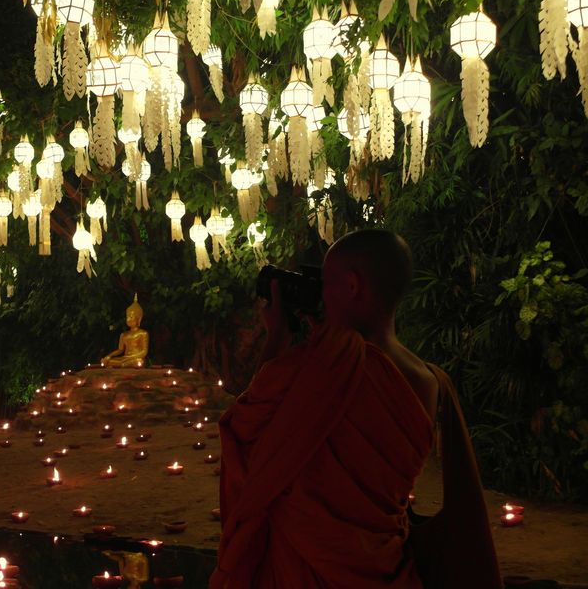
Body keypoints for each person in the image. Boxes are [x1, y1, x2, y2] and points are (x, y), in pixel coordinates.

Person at [210, 229, 501, 589]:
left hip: (302, 571)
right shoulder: (429, 380)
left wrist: (276, 337)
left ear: (351, 286)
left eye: (326, 283)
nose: (321, 295)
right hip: (381, 567)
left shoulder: (316, 364)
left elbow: (247, 435)